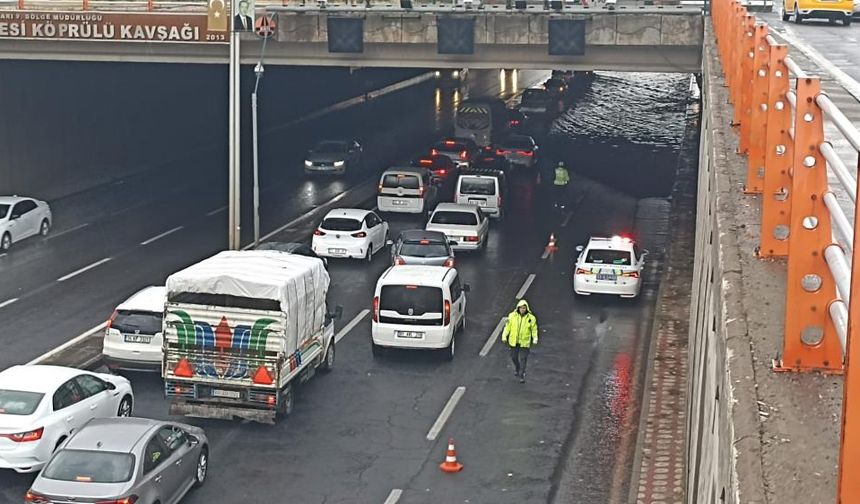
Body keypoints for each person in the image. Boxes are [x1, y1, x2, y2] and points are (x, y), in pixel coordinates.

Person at [501, 299, 538, 383]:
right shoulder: (512, 316)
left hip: (524, 342)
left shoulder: (531, 318)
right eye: (521, 308)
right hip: (514, 341)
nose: (522, 310)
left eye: (524, 308)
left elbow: (534, 329)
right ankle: (518, 368)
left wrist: (535, 338)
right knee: (514, 357)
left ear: (526, 308)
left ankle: (522, 374)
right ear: (518, 308)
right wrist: (504, 336)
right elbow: (507, 327)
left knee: (523, 358)